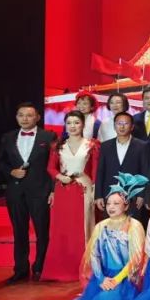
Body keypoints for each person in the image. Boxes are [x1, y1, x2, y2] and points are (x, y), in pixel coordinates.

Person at [54, 178, 146, 300]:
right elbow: (94, 256)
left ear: (126, 206)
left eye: (116, 203)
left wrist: (116, 280)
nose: (111, 207)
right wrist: (102, 278)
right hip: (103, 277)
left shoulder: (134, 226)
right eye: (109, 203)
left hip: (125, 278)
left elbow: (136, 258)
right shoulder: (100, 226)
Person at [0, 103, 58, 284]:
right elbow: (1, 162)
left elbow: (55, 164)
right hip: (15, 191)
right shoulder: (8, 137)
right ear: (16, 117)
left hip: (40, 190)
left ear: (37, 117)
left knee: (42, 231)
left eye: (29, 115)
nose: (25, 118)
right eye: (21, 115)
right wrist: (11, 172)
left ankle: (40, 267)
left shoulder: (48, 137)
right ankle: (21, 269)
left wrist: (53, 190)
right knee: (19, 230)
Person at [45, 111, 98, 281]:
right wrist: (60, 177)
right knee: (63, 228)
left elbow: (95, 170)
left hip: (84, 189)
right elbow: (50, 168)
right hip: (63, 189)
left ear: (83, 124)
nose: (73, 126)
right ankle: (62, 268)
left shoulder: (92, 145)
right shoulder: (57, 146)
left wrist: (95, 191)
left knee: (84, 227)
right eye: (69, 123)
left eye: (76, 122)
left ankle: (84, 268)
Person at [95, 111, 150, 225]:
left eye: (126, 123)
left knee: (131, 227)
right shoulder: (105, 146)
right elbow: (100, 171)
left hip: (133, 195)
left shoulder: (142, 146)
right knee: (110, 226)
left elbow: (145, 172)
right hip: (109, 195)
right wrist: (98, 195)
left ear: (132, 127)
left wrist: (142, 195)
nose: (122, 126)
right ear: (114, 126)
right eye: (119, 123)